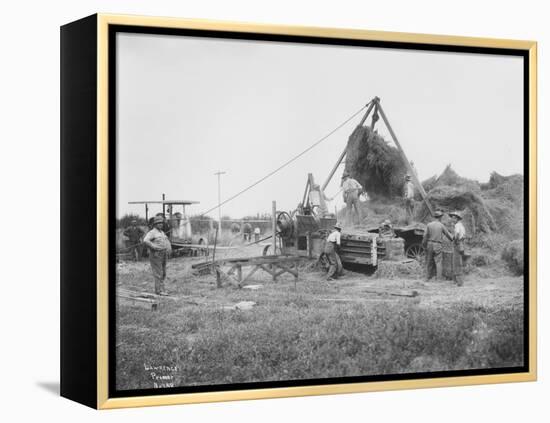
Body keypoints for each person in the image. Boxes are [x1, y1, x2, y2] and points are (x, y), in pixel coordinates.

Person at [143, 216, 172, 296]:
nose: (160, 225)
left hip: (163, 254)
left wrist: (169, 247)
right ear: (155, 224)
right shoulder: (152, 232)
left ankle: (162, 289)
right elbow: (145, 240)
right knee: (158, 273)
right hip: (156, 254)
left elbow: (166, 239)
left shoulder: (161, 232)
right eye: (158, 223)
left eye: (161, 223)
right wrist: (154, 246)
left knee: (163, 272)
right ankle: (159, 291)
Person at [422, 210, 453, 281]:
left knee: (429, 261)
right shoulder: (441, 225)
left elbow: (425, 236)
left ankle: (427, 277)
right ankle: (439, 279)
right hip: (437, 244)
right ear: (440, 217)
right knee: (438, 262)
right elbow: (448, 234)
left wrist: (424, 244)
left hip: (429, 244)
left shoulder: (429, 225)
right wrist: (453, 239)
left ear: (434, 217)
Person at [450, 211, 466, 286]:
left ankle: (459, 282)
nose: (452, 219)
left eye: (454, 218)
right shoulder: (461, 225)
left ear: (457, 219)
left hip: (457, 244)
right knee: (458, 261)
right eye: (452, 218)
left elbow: (457, 234)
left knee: (456, 262)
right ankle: (457, 281)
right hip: (461, 244)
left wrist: (455, 240)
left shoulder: (457, 226)